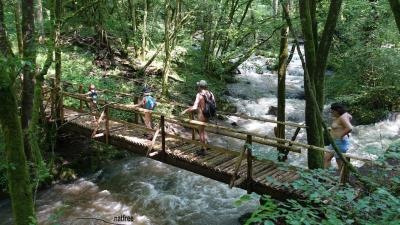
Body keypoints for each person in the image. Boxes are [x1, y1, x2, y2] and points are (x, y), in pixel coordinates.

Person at [181, 80, 216, 156]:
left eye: (198, 86)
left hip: (202, 114)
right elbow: (214, 104)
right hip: (208, 114)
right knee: (203, 129)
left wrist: (186, 110)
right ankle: (207, 144)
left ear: (200, 87)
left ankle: (203, 149)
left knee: (201, 132)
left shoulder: (199, 94)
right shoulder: (210, 93)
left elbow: (194, 107)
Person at [324, 103, 353, 171]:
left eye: (333, 111)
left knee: (340, 163)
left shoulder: (342, 117)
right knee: (326, 158)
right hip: (334, 142)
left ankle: (343, 179)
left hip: (340, 142)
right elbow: (350, 117)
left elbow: (349, 128)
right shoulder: (345, 115)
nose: (331, 113)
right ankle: (325, 176)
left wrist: (341, 135)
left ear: (337, 111)